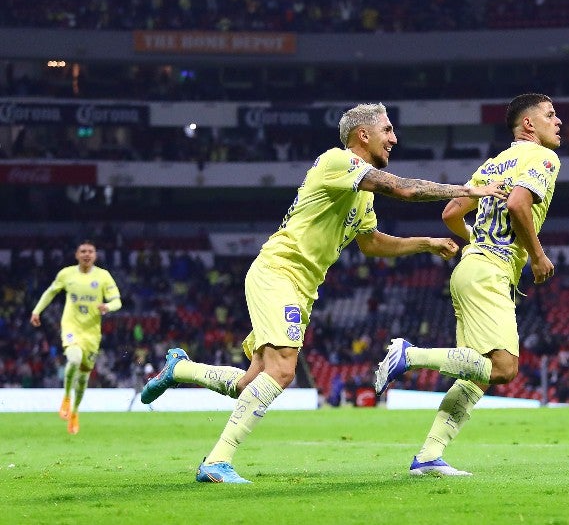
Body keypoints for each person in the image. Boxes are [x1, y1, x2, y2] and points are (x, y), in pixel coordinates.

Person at [140, 102, 507, 484]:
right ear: (362, 135)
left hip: (302, 287)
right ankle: (216, 462)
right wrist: (469, 190)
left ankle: (179, 368)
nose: (394, 139)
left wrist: (426, 244)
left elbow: (371, 243)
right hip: (278, 271)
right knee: (282, 371)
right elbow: (404, 188)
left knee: (252, 383)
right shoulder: (336, 161)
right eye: (387, 130)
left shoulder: (363, 195)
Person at [374, 93, 561, 476]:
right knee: (504, 368)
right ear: (529, 125)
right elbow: (518, 206)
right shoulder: (543, 158)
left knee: (477, 375)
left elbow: (452, 211)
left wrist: (476, 241)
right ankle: (409, 355)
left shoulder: (493, 165)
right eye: (550, 115)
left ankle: (428, 456)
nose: (558, 122)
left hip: (471, 266)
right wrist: (539, 256)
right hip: (491, 269)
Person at [30, 240, 122, 434]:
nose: (86, 254)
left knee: (83, 379)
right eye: (83, 251)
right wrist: (37, 311)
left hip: (92, 333)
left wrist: (108, 307)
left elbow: (117, 301)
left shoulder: (103, 276)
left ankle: (75, 412)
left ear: (95, 255)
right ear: (76, 255)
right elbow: (50, 292)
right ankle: (65, 397)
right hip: (71, 326)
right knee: (74, 358)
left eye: (90, 251)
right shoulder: (67, 274)